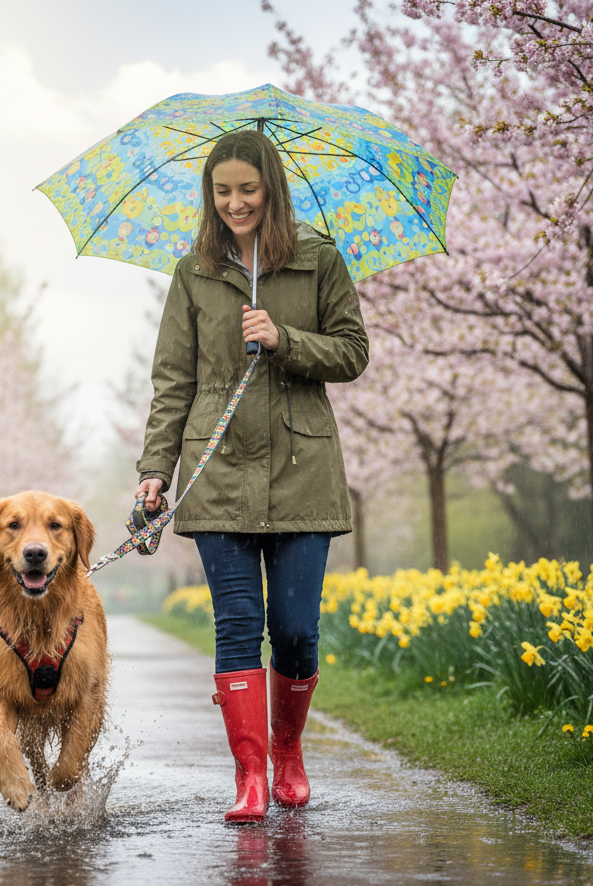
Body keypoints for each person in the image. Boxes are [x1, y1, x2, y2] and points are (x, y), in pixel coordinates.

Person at [135, 130, 368, 824]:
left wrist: (284, 338)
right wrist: (154, 471)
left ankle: (288, 751)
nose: (235, 202)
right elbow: (172, 380)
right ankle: (250, 779)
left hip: (303, 472)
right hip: (219, 470)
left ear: (272, 188)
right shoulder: (193, 273)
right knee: (237, 626)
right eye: (222, 190)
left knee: (295, 631)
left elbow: (353, 352)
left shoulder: (320, 260)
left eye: (247, 188)